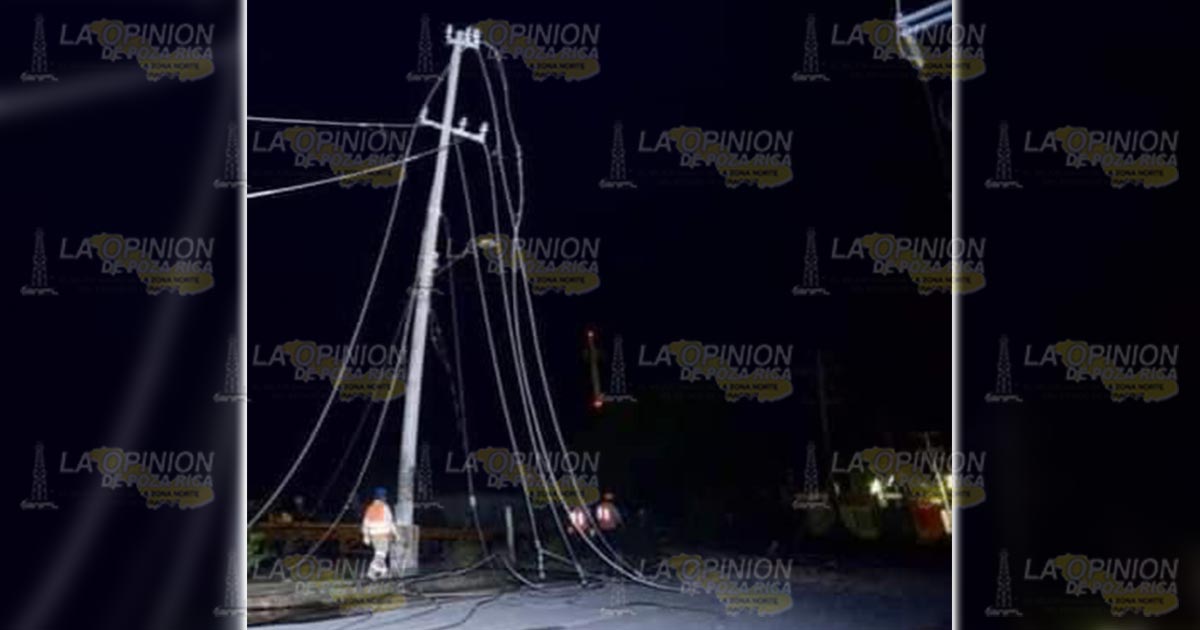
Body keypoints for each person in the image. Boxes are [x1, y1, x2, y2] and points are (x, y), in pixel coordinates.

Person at [361, 487, 399, 580]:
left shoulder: (370, 508)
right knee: (381, 555)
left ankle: (384, 573)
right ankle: (371, 573)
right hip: (383, 535)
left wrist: (366, 536)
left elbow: (365, 523)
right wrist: (396, 534)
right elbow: (390, 522)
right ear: (383, 497)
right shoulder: (385, 508)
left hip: (374, 536)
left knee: (379, 553)